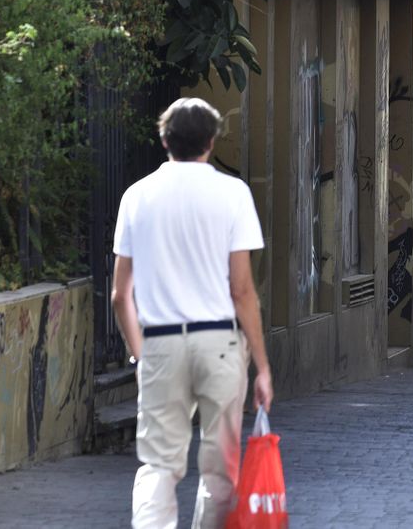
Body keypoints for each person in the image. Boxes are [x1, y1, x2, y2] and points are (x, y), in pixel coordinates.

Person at [111, 98, 274, 529]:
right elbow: (242, 290)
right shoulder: (233, 193)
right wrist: (262, 366)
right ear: (211, 141)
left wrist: (141, 354)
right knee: (221, 468)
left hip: (160, 342)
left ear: (164, 139)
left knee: (158, 465)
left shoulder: (136, 196)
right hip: (219, 343)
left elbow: (120, 295)